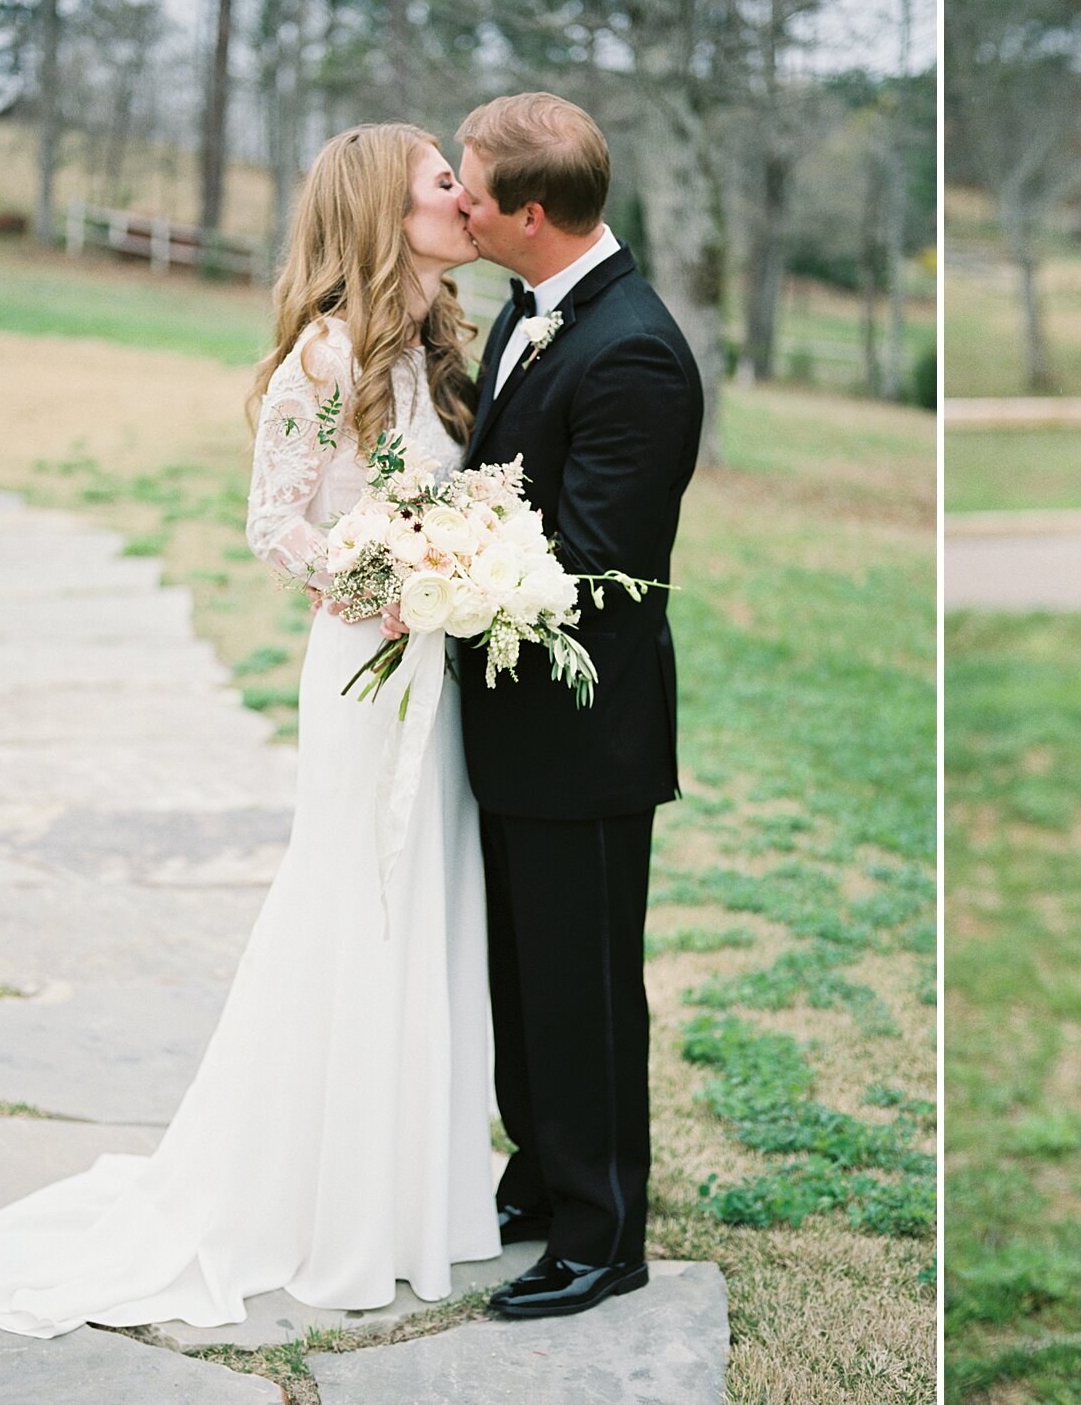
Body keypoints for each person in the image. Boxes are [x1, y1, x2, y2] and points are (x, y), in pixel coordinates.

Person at [0, 123, 502, 1336]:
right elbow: (278, 527)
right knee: (353, 903)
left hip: (444, 670)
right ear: (382, 209)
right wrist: (400, 586)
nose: (465, 196)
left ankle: (419, 1195)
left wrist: (462, 575)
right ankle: (322, 1201)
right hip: (369, 666)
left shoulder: (442, 348)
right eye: (441, 182)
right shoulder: (325, 357)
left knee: (428, 903)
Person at [448, 93, 703, 1319]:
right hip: (511, 723)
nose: (456, 201)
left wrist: (443, 560)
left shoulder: (631, 348)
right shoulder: (533, 311)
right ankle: (542, 1177)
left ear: (529, 214)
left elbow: (601, 567)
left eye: (470, 187)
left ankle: (605, 1236)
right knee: (520, 969)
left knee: (586, 985)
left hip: (582, 731)